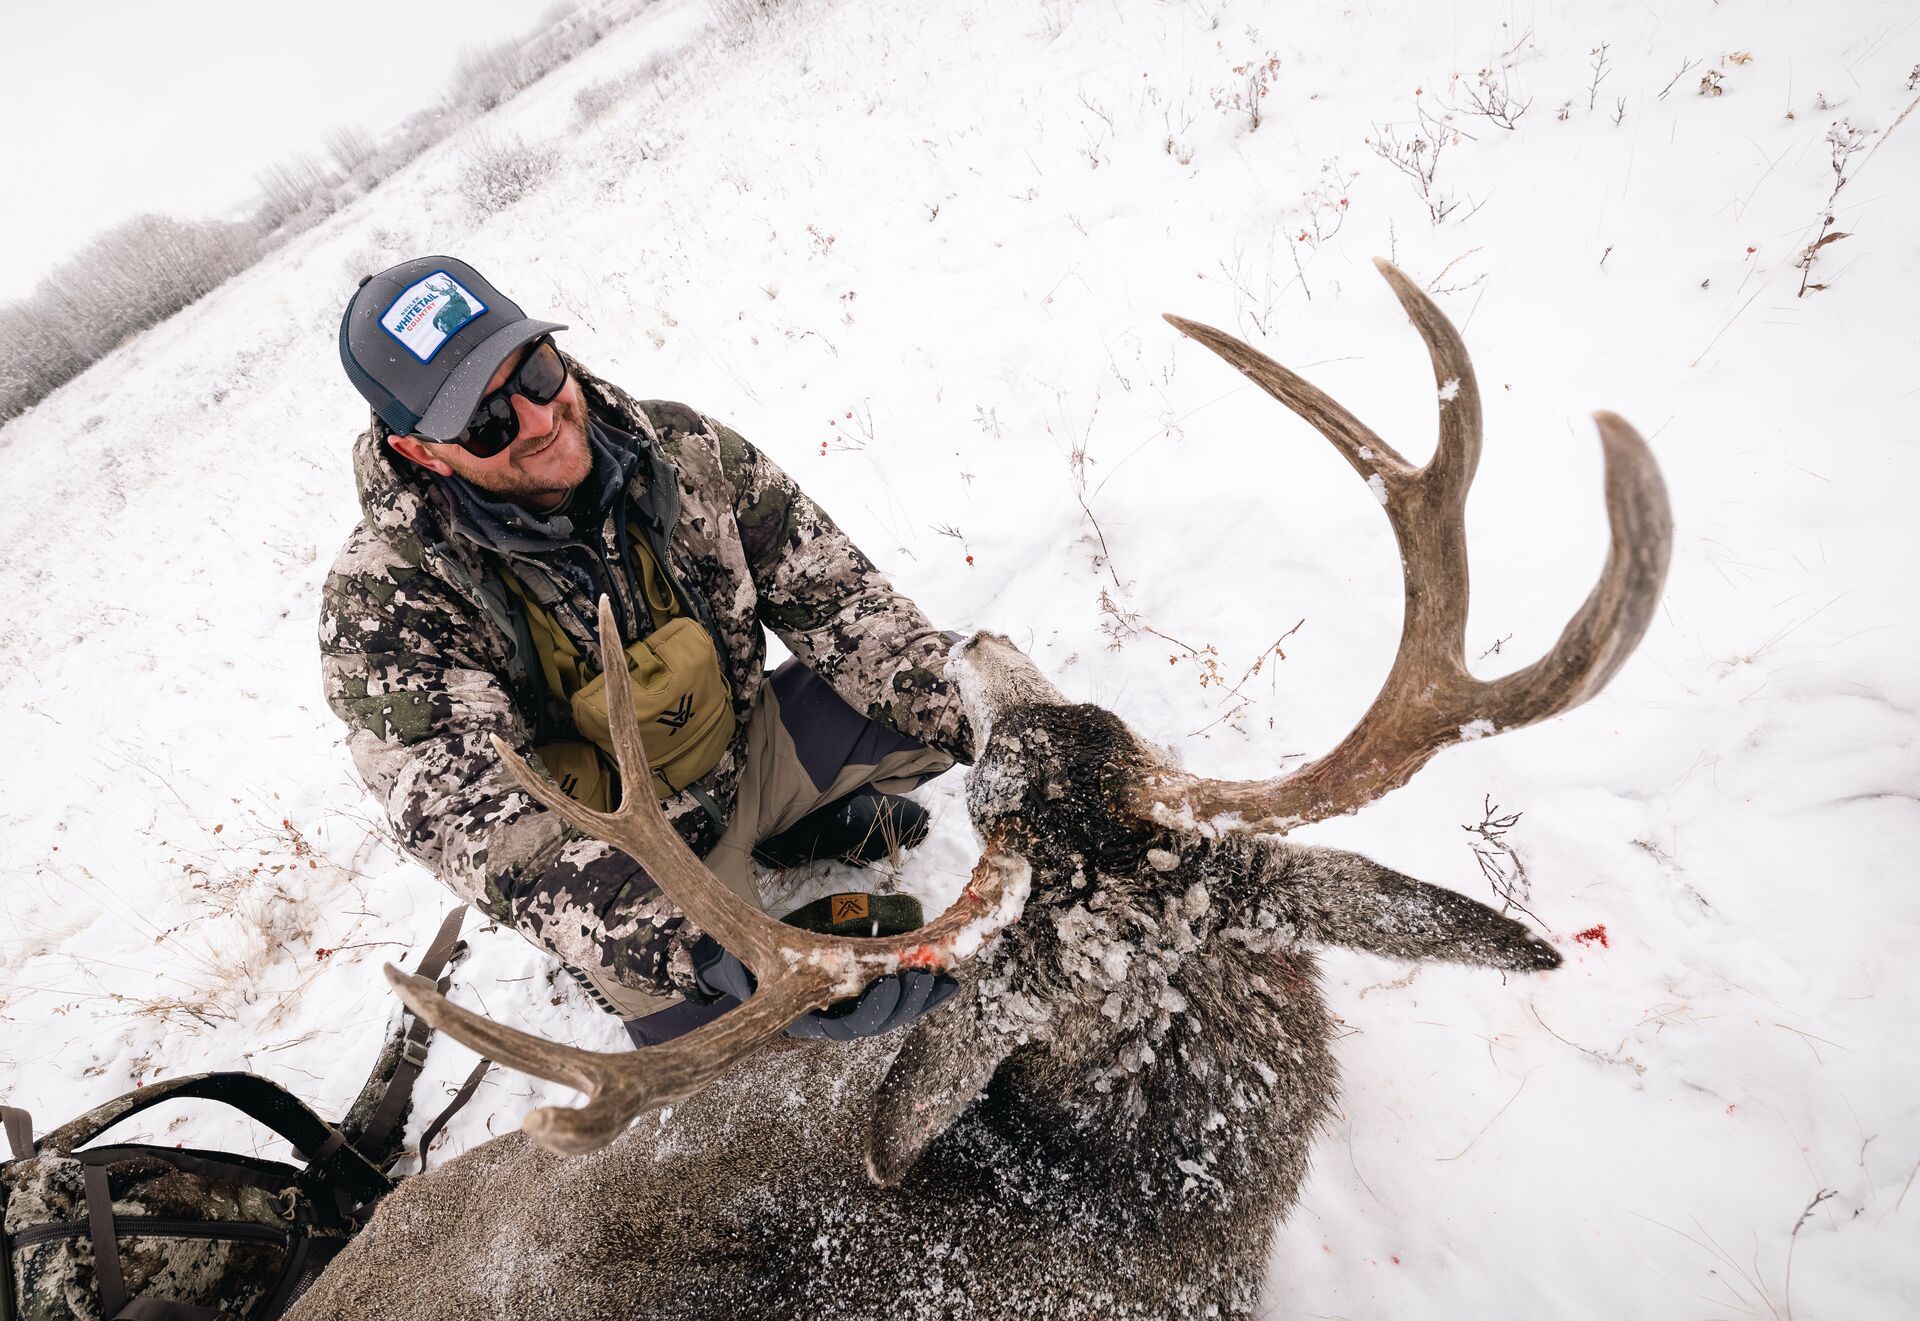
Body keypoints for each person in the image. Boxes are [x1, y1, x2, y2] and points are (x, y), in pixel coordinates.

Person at [321, 256, 972, 1044]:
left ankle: (784, 828)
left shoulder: (682, 448)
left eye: (534, 369)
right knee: (737, 1053)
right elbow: (484, 828)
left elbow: (847, 607)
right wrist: (705, 945)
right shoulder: (386, 603)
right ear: (421, 451)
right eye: (486, 424)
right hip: (635, 873)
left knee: (954, 686)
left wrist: (999, 726)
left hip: (742, 756)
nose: (538, 418)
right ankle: (677, 954)